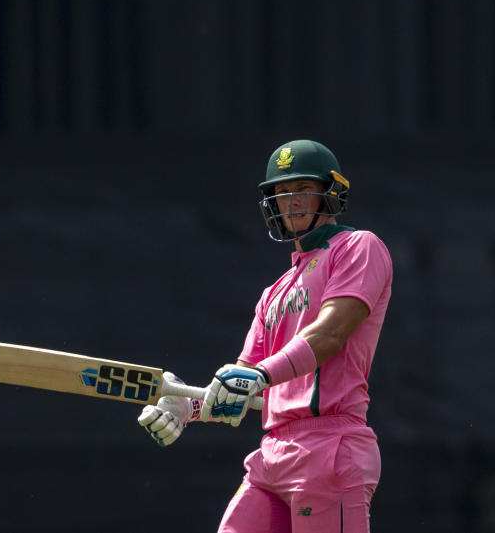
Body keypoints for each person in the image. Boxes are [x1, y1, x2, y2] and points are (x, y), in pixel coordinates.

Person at [138, 140, 393, 533]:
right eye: (281, 193)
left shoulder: (358, 247)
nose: (290, 202)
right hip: (272, 455)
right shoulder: (273, 293)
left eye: (302, 190)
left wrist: (259, 376)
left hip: (332, 448)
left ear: (331, 192)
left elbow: (330, 334)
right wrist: (186, 407)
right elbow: (243, 380)